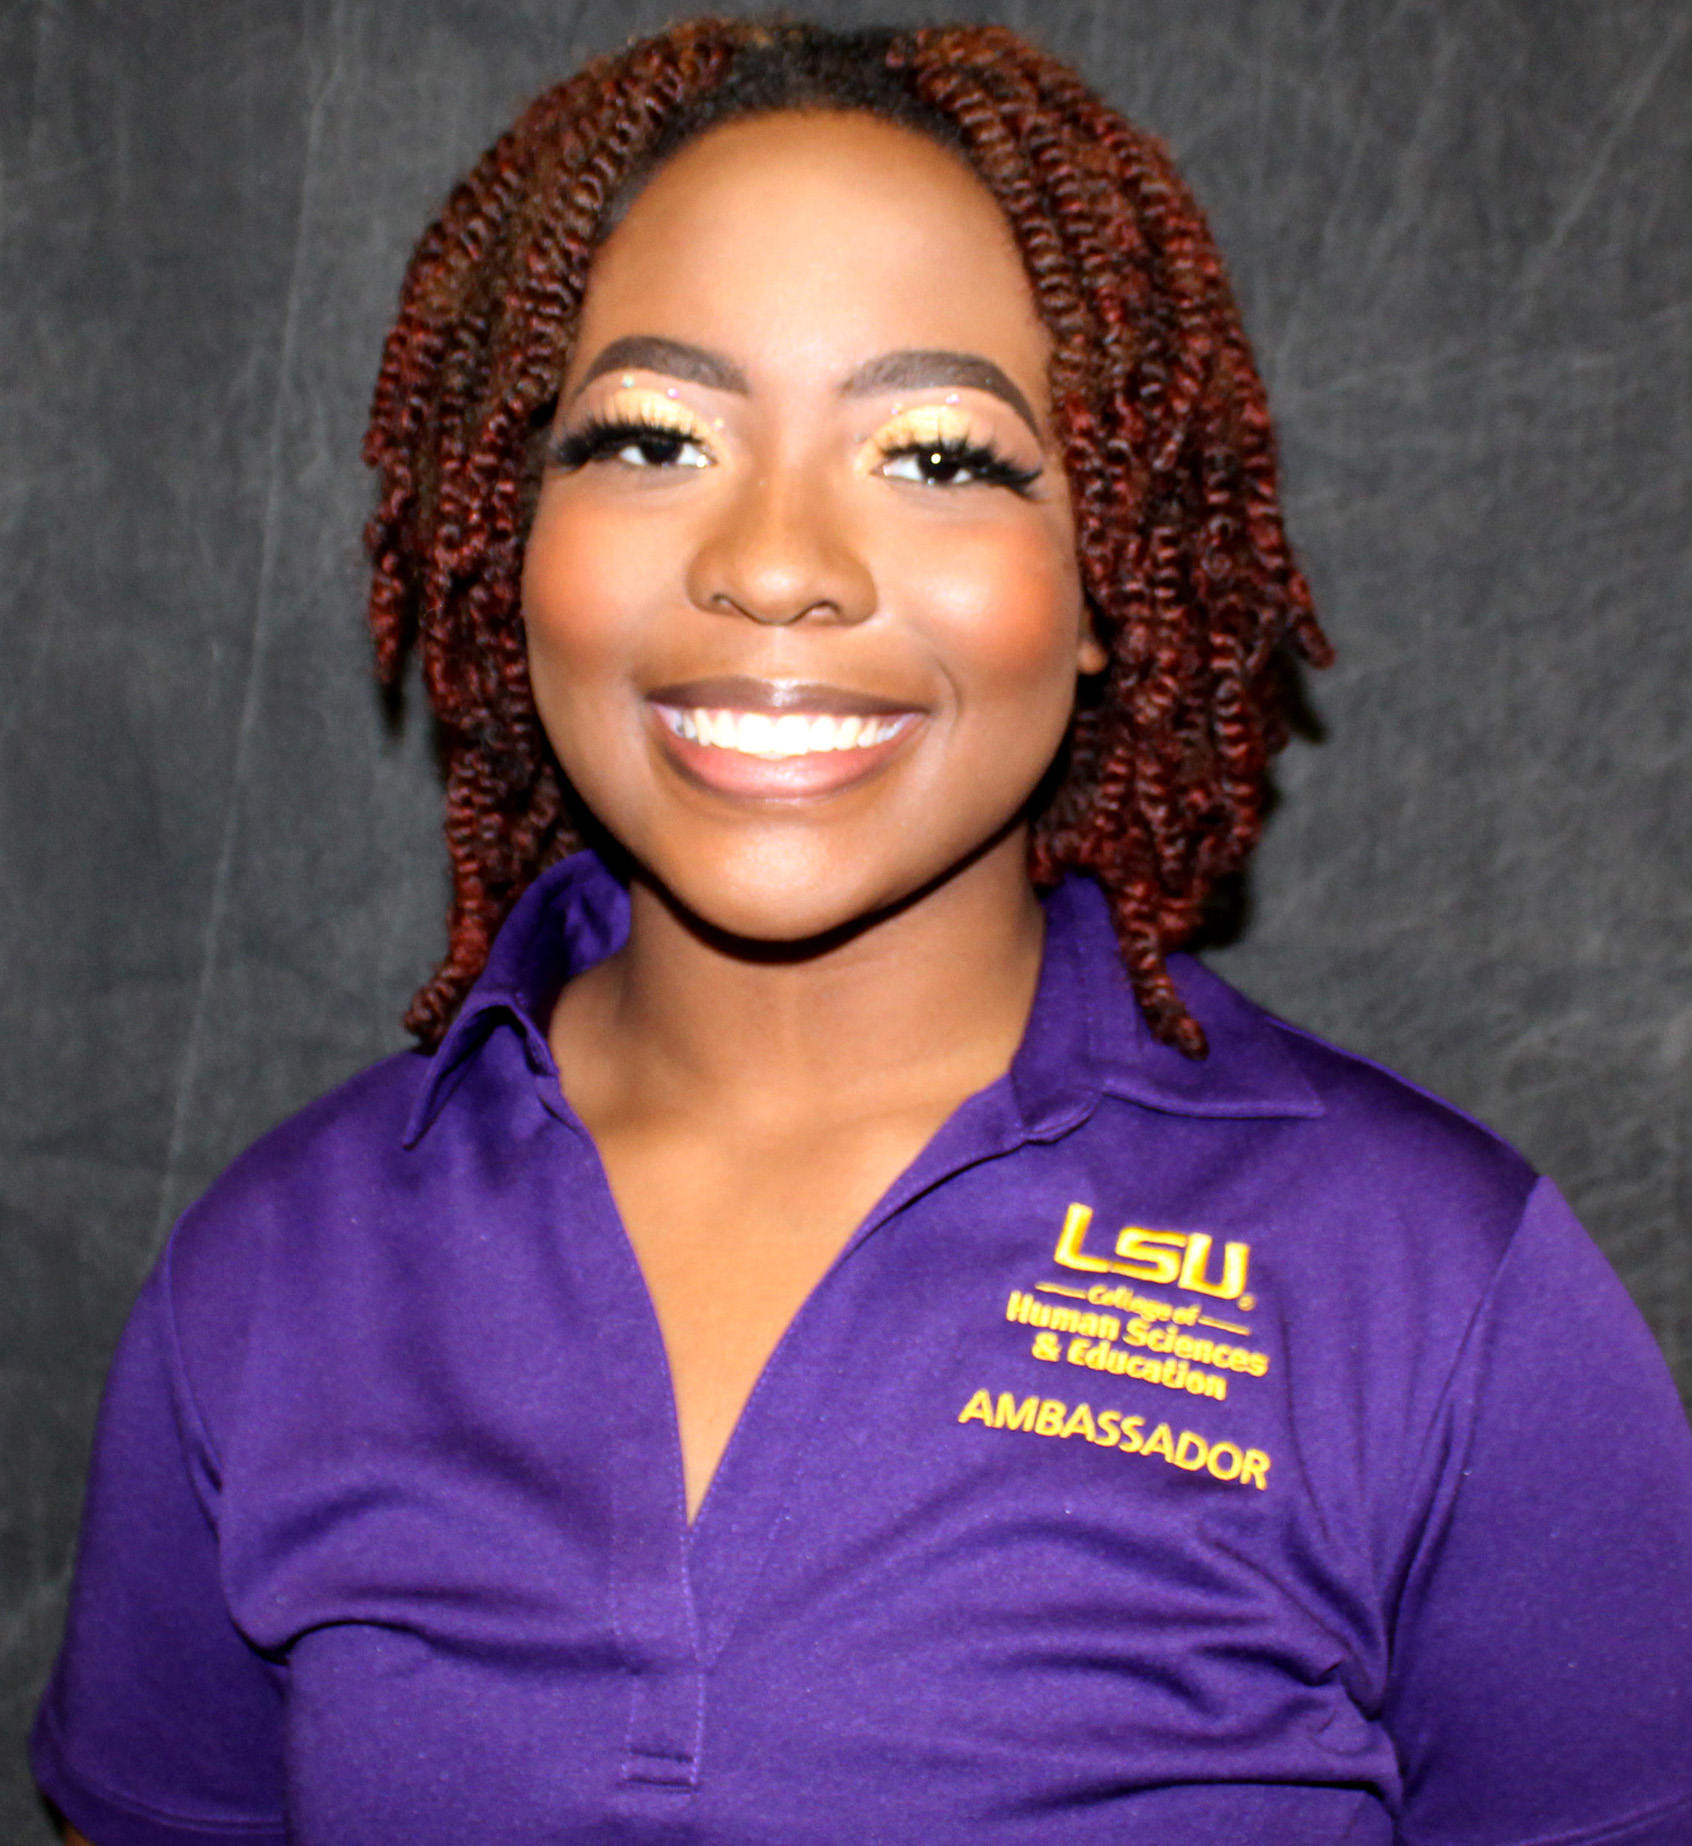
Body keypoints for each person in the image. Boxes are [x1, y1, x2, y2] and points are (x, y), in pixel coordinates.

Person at [32, 19, 1692, 1846]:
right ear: (507, 535)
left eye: (940, 456)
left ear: (1110, 573)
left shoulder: (1436, 1293)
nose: (775, 561)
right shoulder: (276, 1272)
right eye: (652, 436)